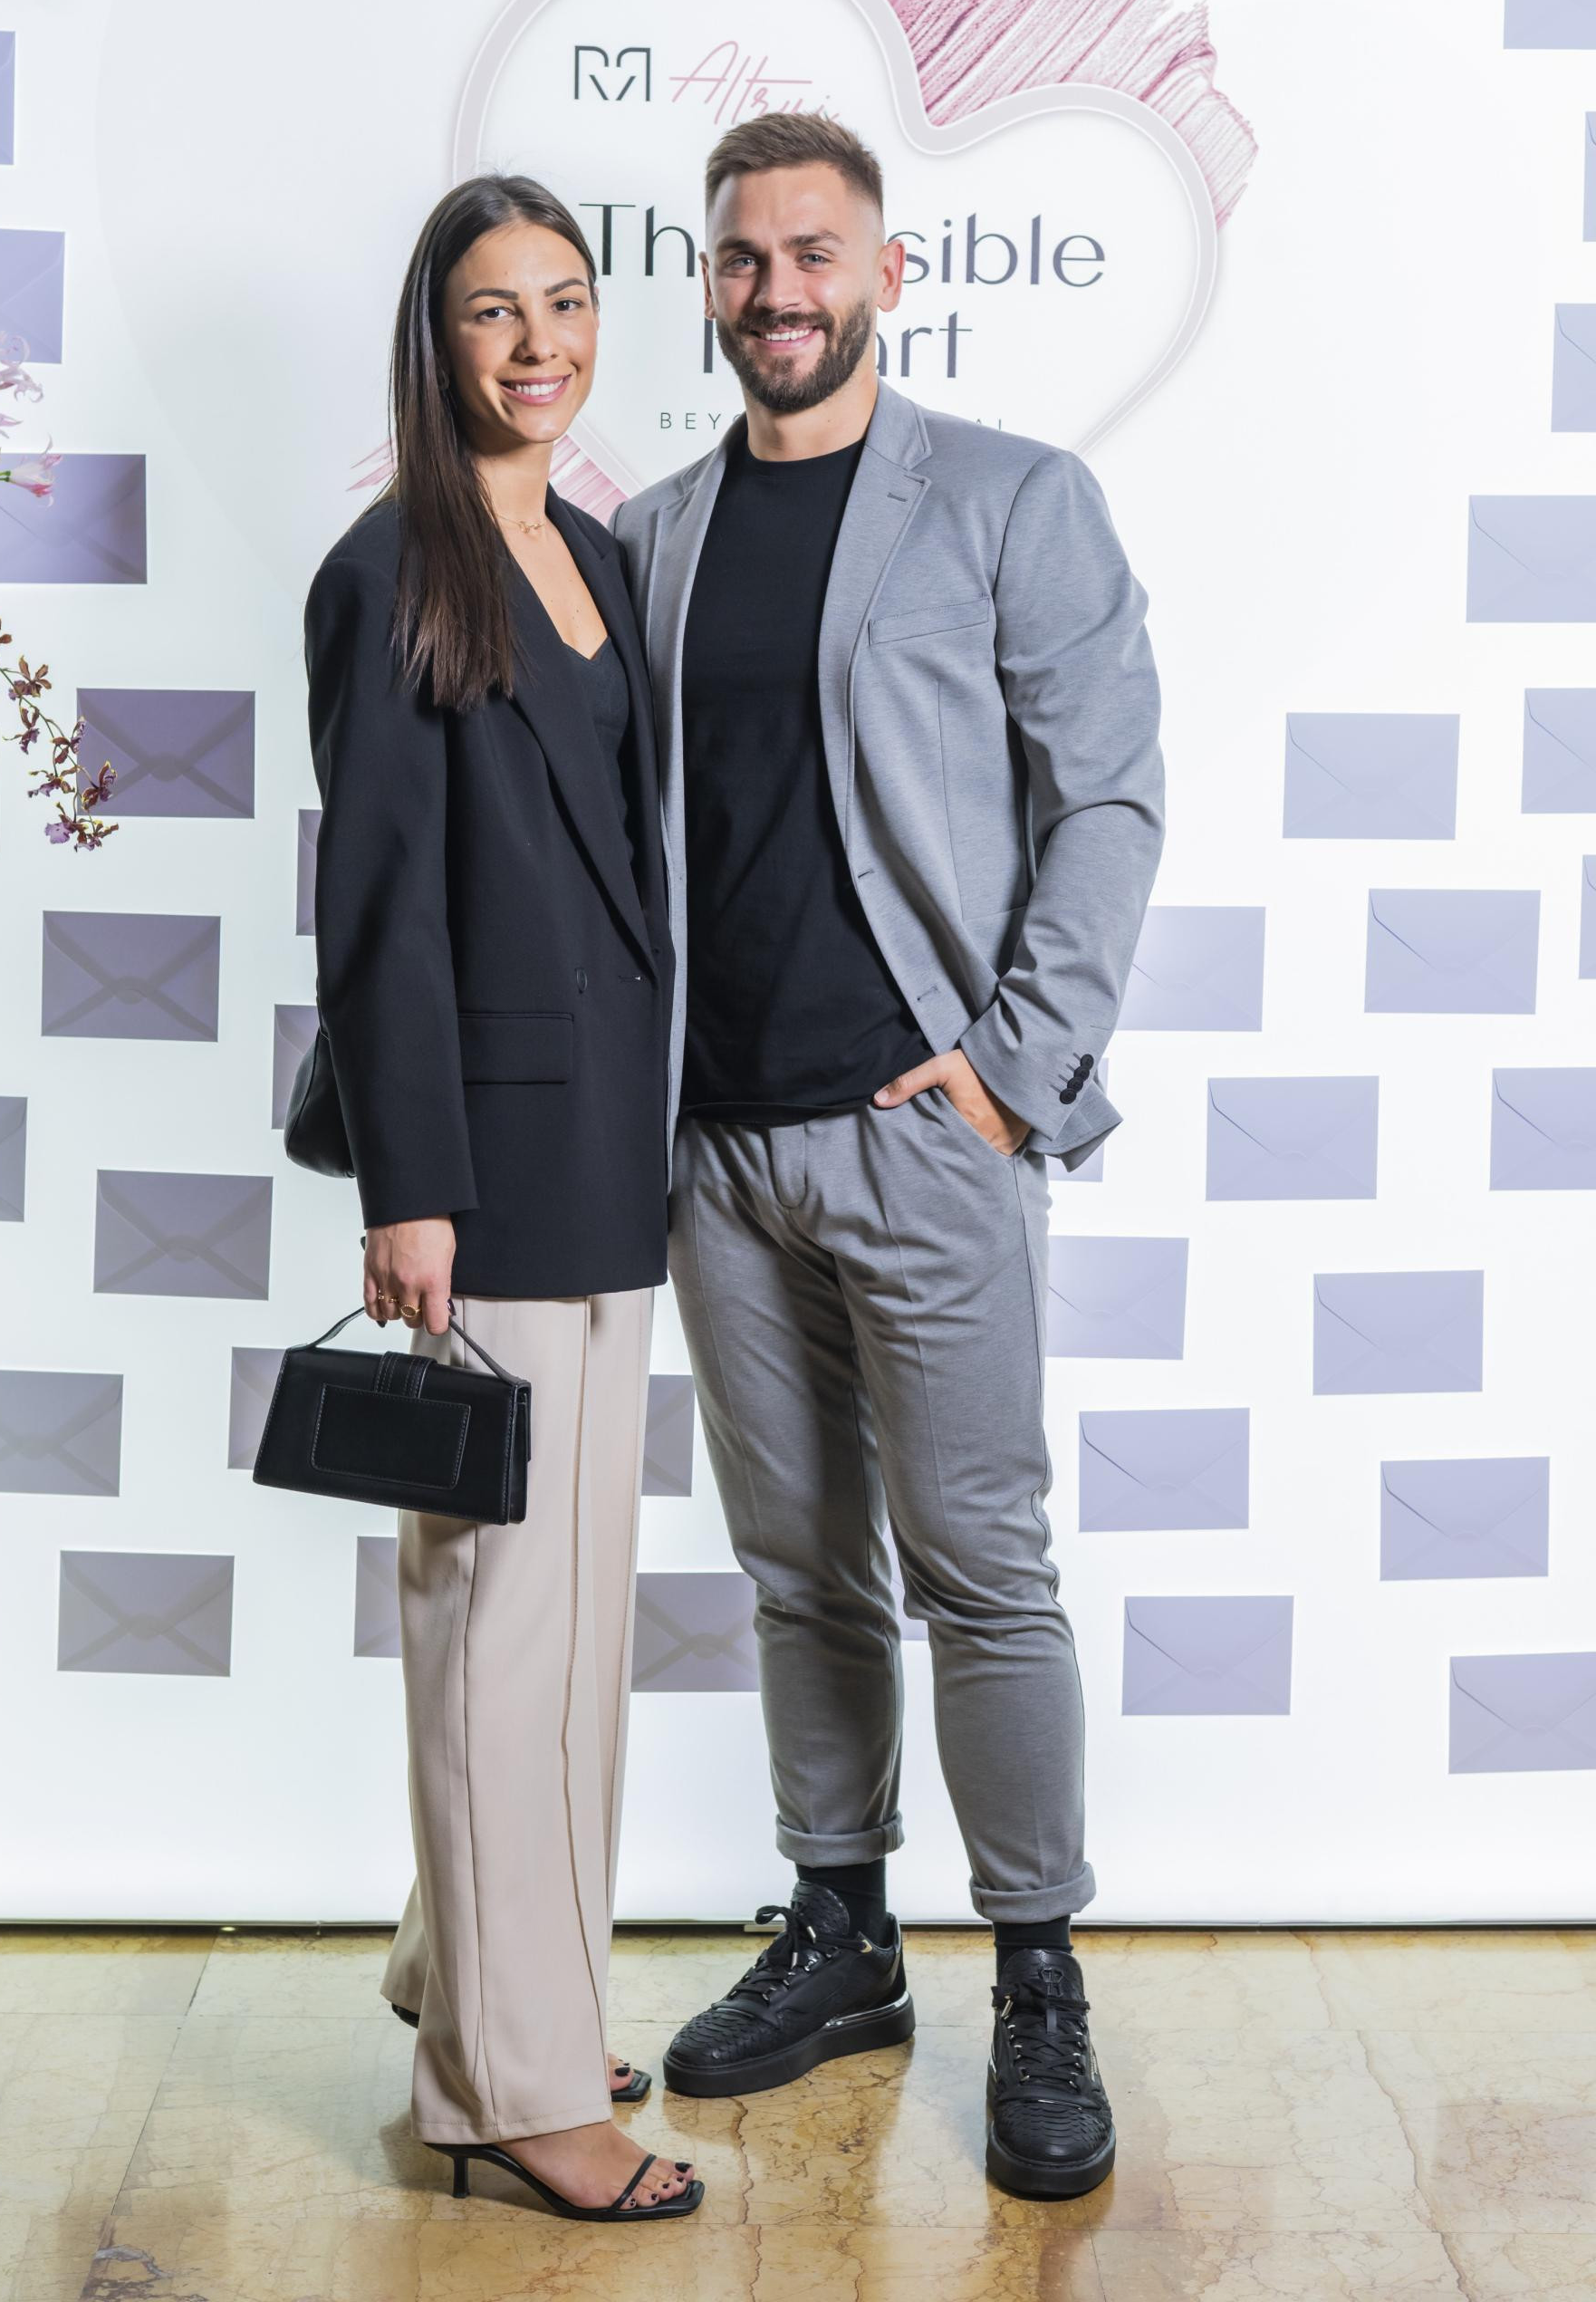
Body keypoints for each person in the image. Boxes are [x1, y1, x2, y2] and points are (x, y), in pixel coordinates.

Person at [612, 112, 1164, 2203]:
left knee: (982, 1572)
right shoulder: (650, 534)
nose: (779, 292)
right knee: (798, 1573)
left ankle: (1039, 1976)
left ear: (886, 274)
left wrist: (1014, 1075)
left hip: (926, 1139)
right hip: (720, 1153)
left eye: (814, 254)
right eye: (744, 259)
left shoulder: (1012, 501)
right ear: (711, 282)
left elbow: (1108, 801)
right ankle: (841, 1930)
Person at [303, 174, 701, 2223]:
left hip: (613, 1148)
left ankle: (489, 1978)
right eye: (492, 310)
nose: (538, 344)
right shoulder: (387, 571)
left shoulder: (602, 555)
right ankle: (508, 2086)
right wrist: (413, 1189)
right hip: (485, 1166)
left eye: (564, 302)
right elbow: (376, 908)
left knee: (573, 1629)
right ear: (434, 336)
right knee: (494, 1625)